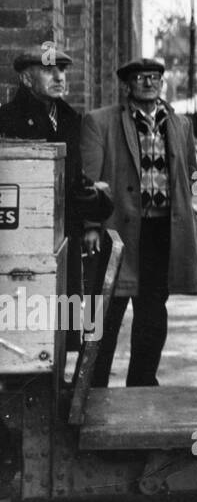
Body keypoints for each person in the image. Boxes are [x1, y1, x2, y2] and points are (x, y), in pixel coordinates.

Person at [81, 57, 197, 387]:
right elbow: (88, 180)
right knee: (107, 309)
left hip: (162, 233)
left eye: (154, 78)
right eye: (140, 78)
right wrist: (92, 225)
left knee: (152, 311)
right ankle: (93, 387)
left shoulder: (181, 124)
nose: (148, 83)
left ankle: (142, 383)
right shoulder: (100, 122)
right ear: (127, 85)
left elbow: (194, 172)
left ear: (161, 83)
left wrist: (191, 205)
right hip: (117, 234)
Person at [0, 47, 114, 343]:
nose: (59, 77)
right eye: (50, 70)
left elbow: (74, 179)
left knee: (62, 322)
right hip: (27, 243)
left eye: (63, 71)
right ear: (26, 79)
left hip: (65, 237)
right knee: (29, 325)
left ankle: (59, 381)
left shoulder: (67, 118)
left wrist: (93, 205)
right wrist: (98, 200)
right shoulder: (8, 120)